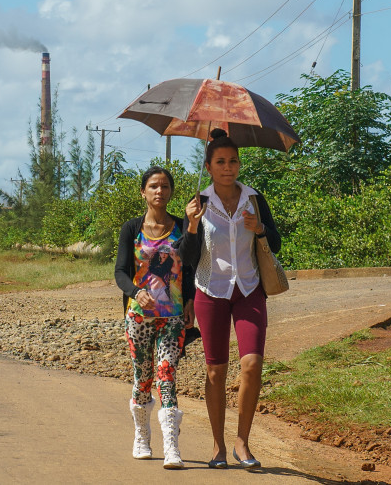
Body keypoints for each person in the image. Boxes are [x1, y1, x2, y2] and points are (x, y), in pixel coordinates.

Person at [181, 129, 280, 470]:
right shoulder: (198, 204)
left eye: (233, 161)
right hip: (211, 290)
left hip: (249, 289)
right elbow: (188, 256)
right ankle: (218, 446)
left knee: (252, 365)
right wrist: (192, 226)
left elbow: (276, 242)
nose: (228, 167)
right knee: (215, 371)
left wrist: (260, 228)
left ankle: (242, 442)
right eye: (220, 162)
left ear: (240, 164)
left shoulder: (254, 199)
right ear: (207, 166)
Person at [115, 166, 195, 469]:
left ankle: (172, 446)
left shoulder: (181, 225)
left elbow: (189, 266)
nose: (159, 191)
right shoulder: (131, 228)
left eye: (164, 186)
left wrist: (190, 300)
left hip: (172, 317)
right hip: (138, 318)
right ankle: (141, 435)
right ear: (143, 192)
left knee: (167, 376)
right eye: (153, 186)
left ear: (171, 191)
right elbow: (120, 272)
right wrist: (136, 292)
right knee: (143, 378)